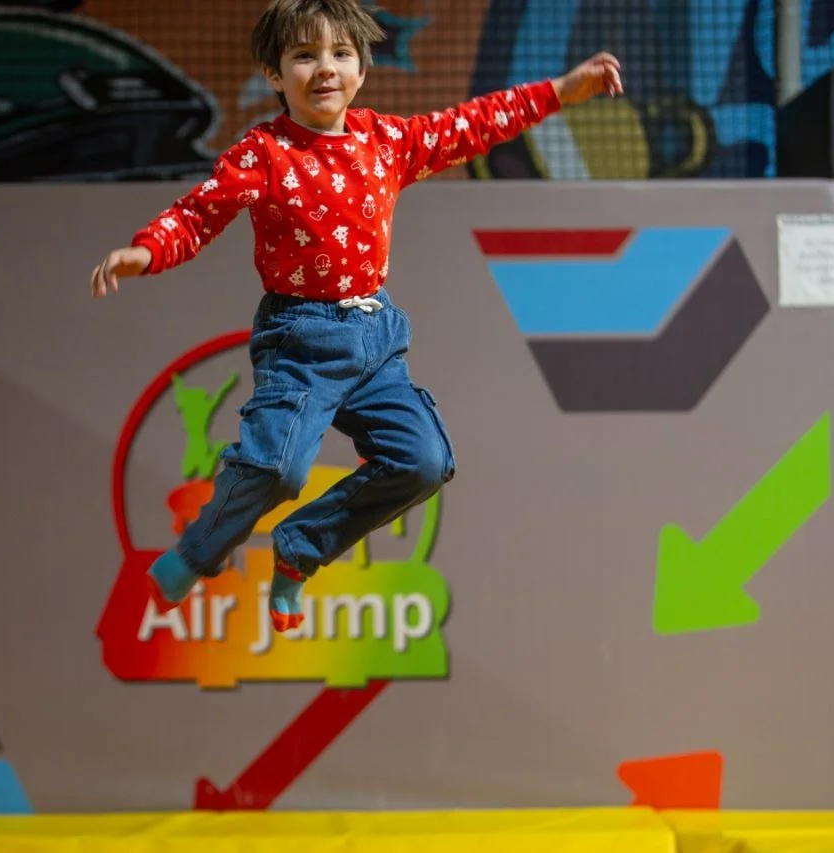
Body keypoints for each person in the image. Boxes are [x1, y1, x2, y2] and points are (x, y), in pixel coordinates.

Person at [91, 0, 623, 634]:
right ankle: (196, 552)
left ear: (363, 69)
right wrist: (146, 250)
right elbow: (198, 214)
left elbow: (473, 125)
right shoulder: (264, 154)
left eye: (341, 54)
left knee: (424, 461)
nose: (325, 69)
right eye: (305, 56)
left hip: (374, 340)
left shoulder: (386, 142)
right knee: (278, 468)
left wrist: (563, 90)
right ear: (274, 72)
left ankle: (299, 552)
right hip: (300, 342)